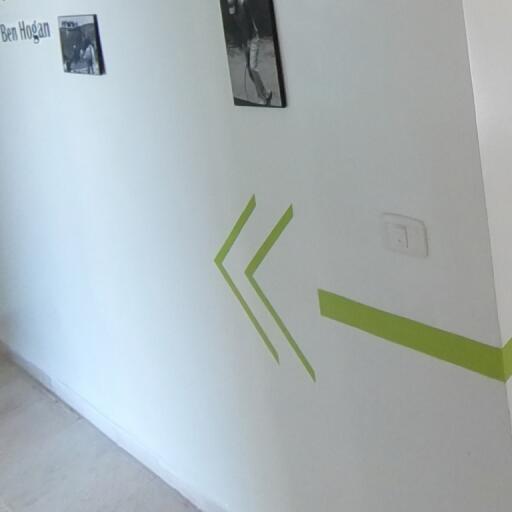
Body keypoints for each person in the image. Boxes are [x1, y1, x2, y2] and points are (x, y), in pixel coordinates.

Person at [226, 0, 273, 106]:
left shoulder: (243, 4)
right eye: (229, 5)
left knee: (253, 67)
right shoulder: (232, 9)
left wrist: (248, 41)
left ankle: (262, 98)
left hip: (253, 38)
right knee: (250, 72)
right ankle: (265, 93)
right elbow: (237, 28)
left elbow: (249, 25)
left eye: (232, 4)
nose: (231, 7)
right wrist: (242, 43)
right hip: (246, 41)